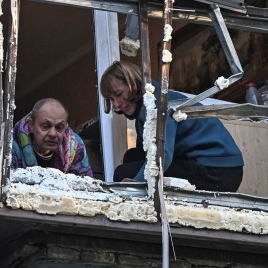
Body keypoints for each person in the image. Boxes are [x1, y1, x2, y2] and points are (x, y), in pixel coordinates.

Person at [99, 61, 243, 192]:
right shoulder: (144, 114)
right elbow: (145, 156)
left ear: (134, 83)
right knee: (133, 156)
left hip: (219, 172)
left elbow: (161, 158)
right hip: (209, 166)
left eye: (119, 94)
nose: (116, 104)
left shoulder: (159, 104)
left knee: (123, 173)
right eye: (112, 99)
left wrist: (132, 191)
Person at [11, 98, 93, 177]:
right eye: (46, 126)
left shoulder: (75, 146)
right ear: (31, 125)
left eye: (59, 127)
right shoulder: (11, 147)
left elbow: (86, 184)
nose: (53, 134)